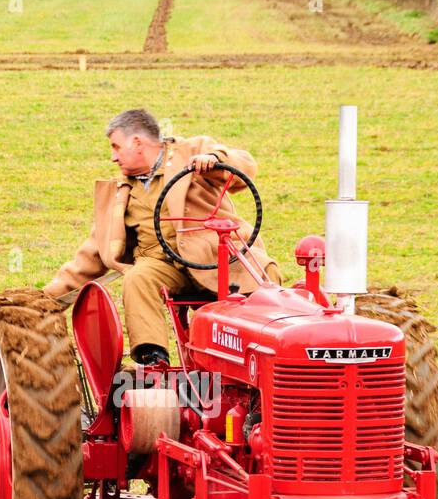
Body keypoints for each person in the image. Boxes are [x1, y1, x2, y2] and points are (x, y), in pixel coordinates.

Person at [43, 109, 281, 366]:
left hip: (218, 259)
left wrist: (214, 160)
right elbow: (91, 255)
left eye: (116, 147)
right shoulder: (122, 192)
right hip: (163, 266)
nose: (113, 157)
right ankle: (154, 362)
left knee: (266, 288)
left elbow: (245, 165)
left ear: (136, 143)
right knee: (138, 277)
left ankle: (270, 360)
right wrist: (45, 301)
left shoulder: (191, 152)